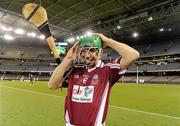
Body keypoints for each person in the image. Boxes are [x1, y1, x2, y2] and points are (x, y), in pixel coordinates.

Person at [48, 33, 139, 126]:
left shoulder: (107, 70)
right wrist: (67, 59)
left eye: (91, 50)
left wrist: (107, 41)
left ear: (99, 52)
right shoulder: (74, 70)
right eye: (84, 50)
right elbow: (52, 85)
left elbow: (133, 55)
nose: (87, 55)